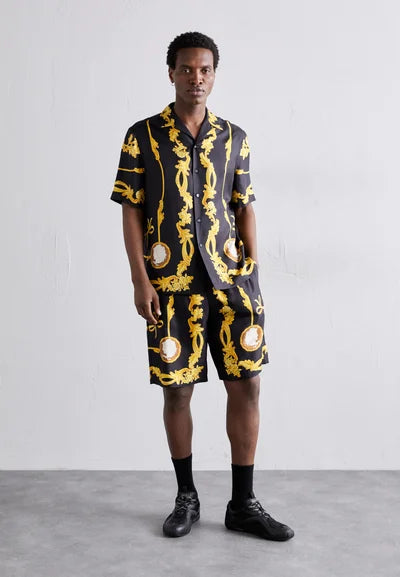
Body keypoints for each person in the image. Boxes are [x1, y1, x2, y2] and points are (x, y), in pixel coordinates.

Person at [110, 31, 294, 541]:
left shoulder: (235, 137)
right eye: (187, 69)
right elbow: (131, 209)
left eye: (205, 69)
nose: (196, 77)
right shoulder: (142, 136)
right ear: (171, 73)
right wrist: (139, 279)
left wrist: (253, 271)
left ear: (215, 75)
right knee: (177, 390)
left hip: (233, 283)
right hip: (169, 285)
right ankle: (186, 497)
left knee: (248, 384)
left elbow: (244, 205)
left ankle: (243, 503)